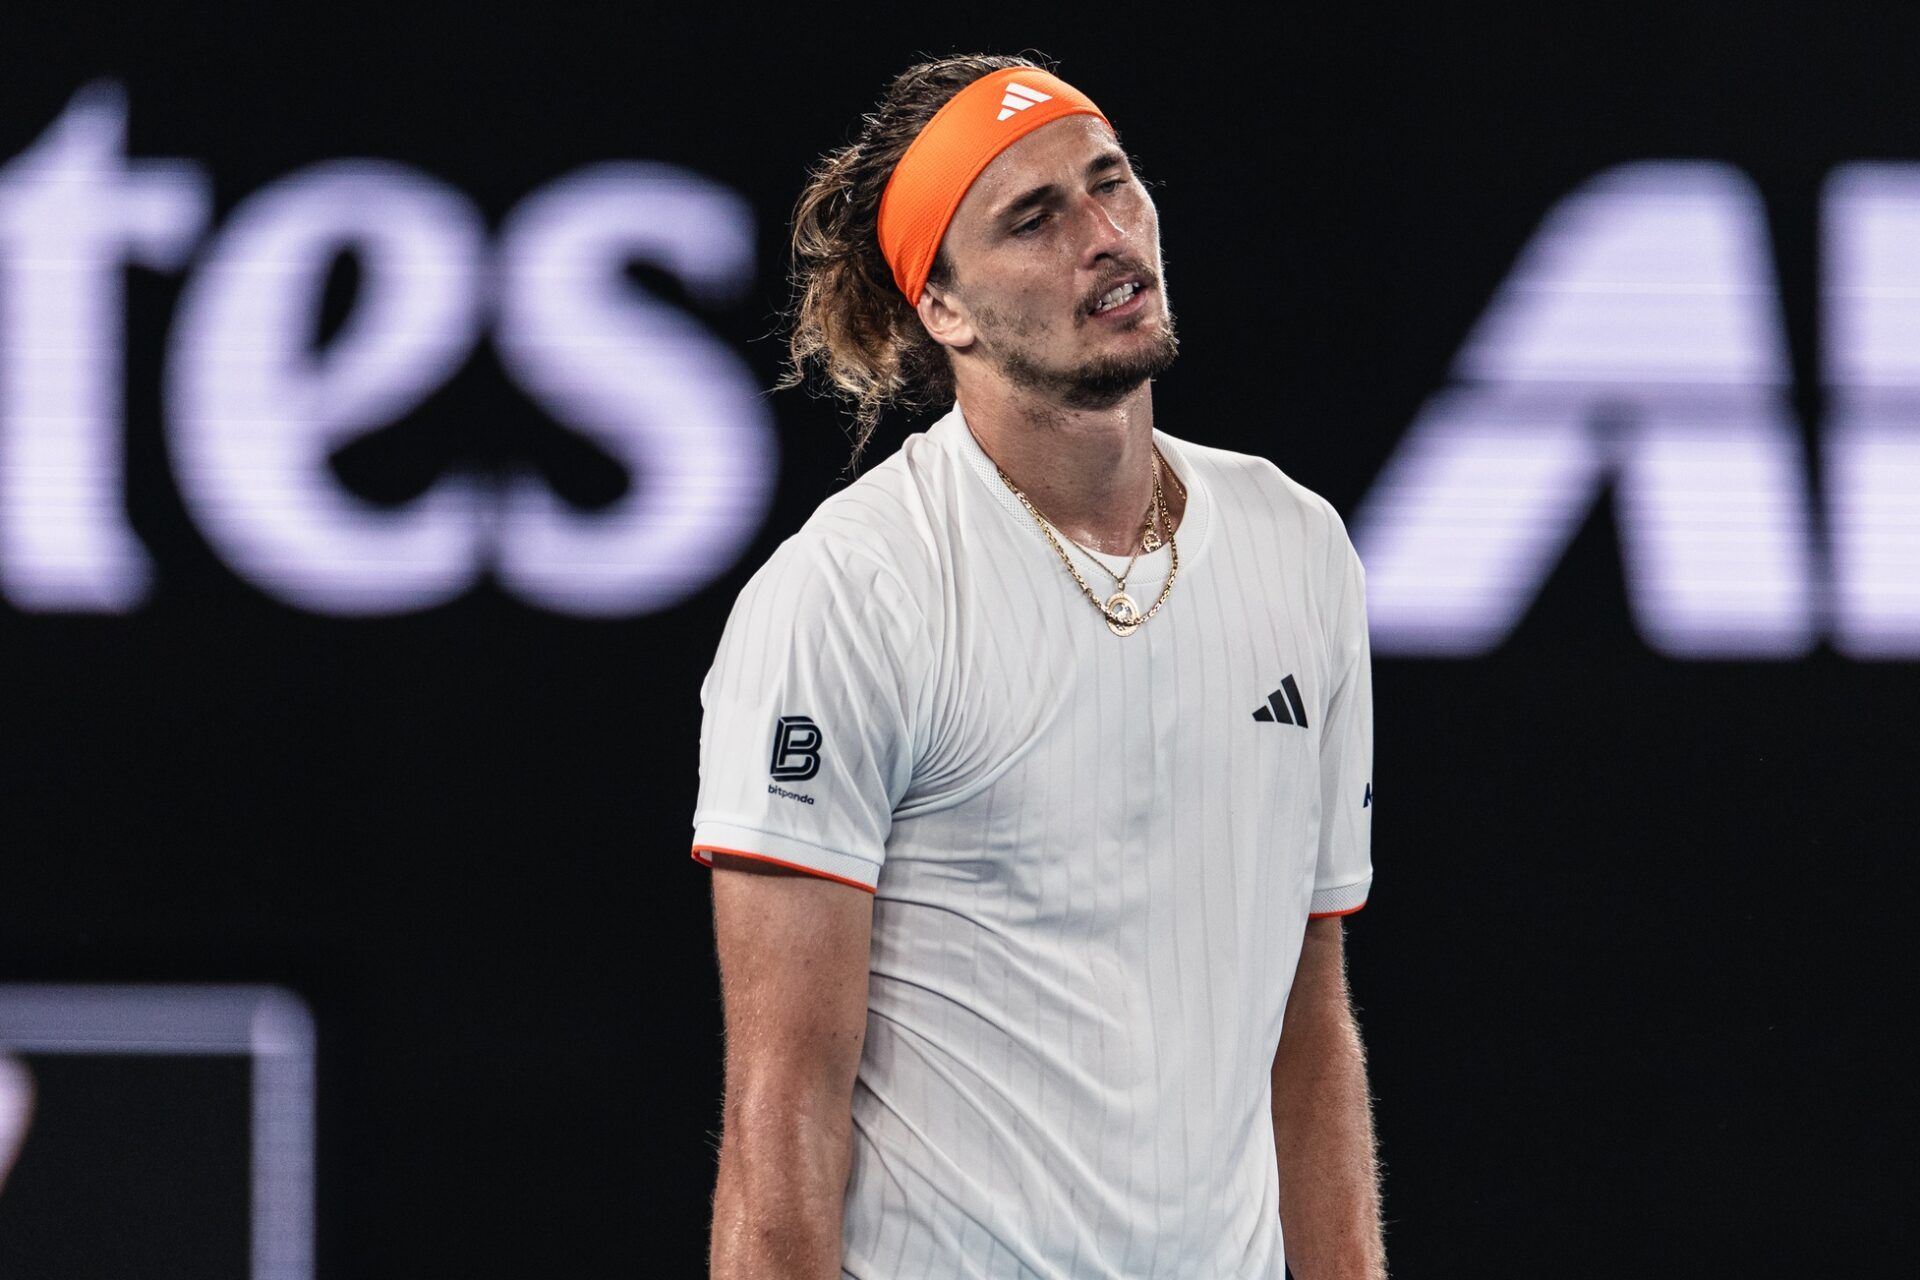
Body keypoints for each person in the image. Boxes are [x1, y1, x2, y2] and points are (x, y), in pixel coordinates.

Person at [692, 53, 1384, 1279]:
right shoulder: (850, 594)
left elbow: (1306, 1024)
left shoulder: (1301, 549)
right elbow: (778, 1121)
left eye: (1112, 182)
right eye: (1036, 217)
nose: (1107, 235)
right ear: (944, 309)